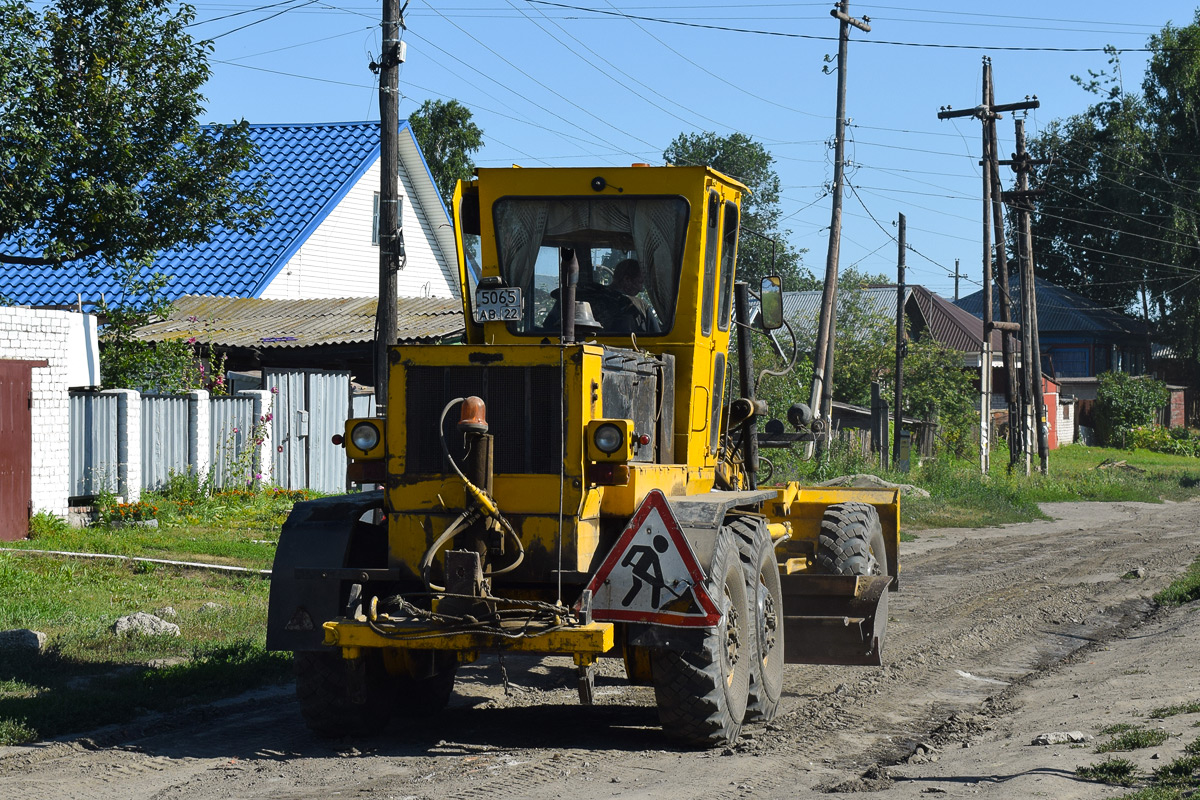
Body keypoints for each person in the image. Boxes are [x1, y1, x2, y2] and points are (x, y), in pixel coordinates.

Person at [610, 259, 662, 333]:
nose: (641, 289)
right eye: (640, 282)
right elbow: (657, 338)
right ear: (627, 279)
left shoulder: (592, 298)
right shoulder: (640, 306)